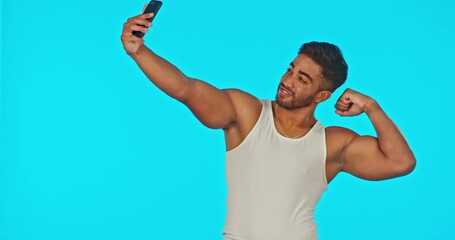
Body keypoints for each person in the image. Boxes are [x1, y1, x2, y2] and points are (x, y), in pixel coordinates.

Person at [121, 9, 416, 240]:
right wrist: (138, 50)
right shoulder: (246, 114)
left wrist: (372, 108)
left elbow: (400, 162)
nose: (287, 81)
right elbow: (186, 89)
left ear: (322, 95)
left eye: (302, 79)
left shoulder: (332, 143)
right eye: (291, 69)